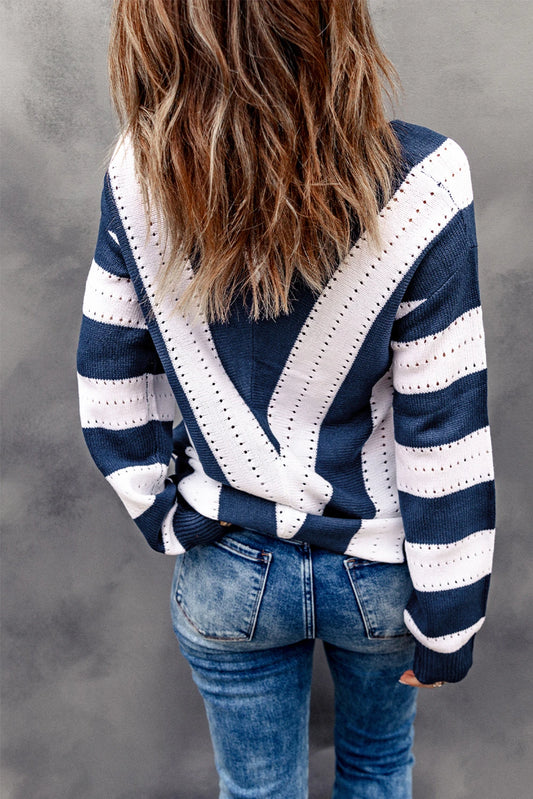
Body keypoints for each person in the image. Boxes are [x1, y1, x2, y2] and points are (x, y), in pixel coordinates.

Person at [76, 1, 496, 796]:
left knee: (256, 791)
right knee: (377, 769)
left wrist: (164, 512)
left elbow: (110, 380)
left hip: (228, 564)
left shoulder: (135, 176)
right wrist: (448, 614)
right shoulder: (426, 180)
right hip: (378, 571)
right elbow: (444, 419)